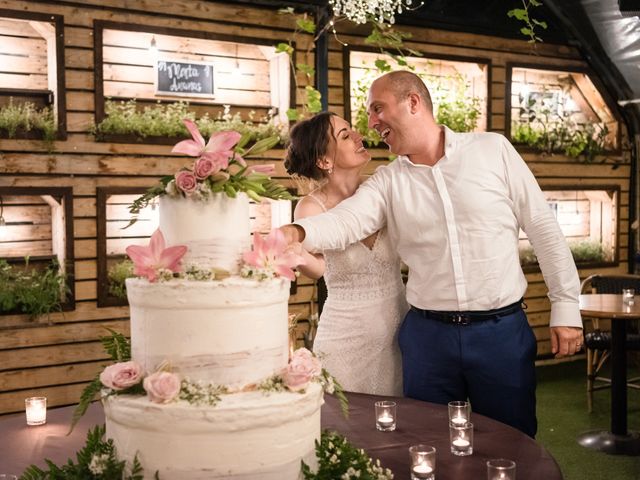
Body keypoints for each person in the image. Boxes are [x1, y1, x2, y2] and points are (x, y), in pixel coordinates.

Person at [280, 71, 583, 438]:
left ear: (413, 102)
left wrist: (565, 307)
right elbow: (347, 221)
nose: (371, 123)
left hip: (501, 333)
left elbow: (543, 228)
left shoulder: (493, 150)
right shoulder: (387, 181)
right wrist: (296, 231)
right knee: (427, 445)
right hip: (426, 340)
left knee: (511, 441)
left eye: (378, 109)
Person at [284, 112, 409, 396]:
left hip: (399, 331)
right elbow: (321, 267)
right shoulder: (311, 208)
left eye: (352, 130)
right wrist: (300, 258)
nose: (358, 136)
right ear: (324, 161)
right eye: (344, 135)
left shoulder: (381, 190)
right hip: (346, 336)